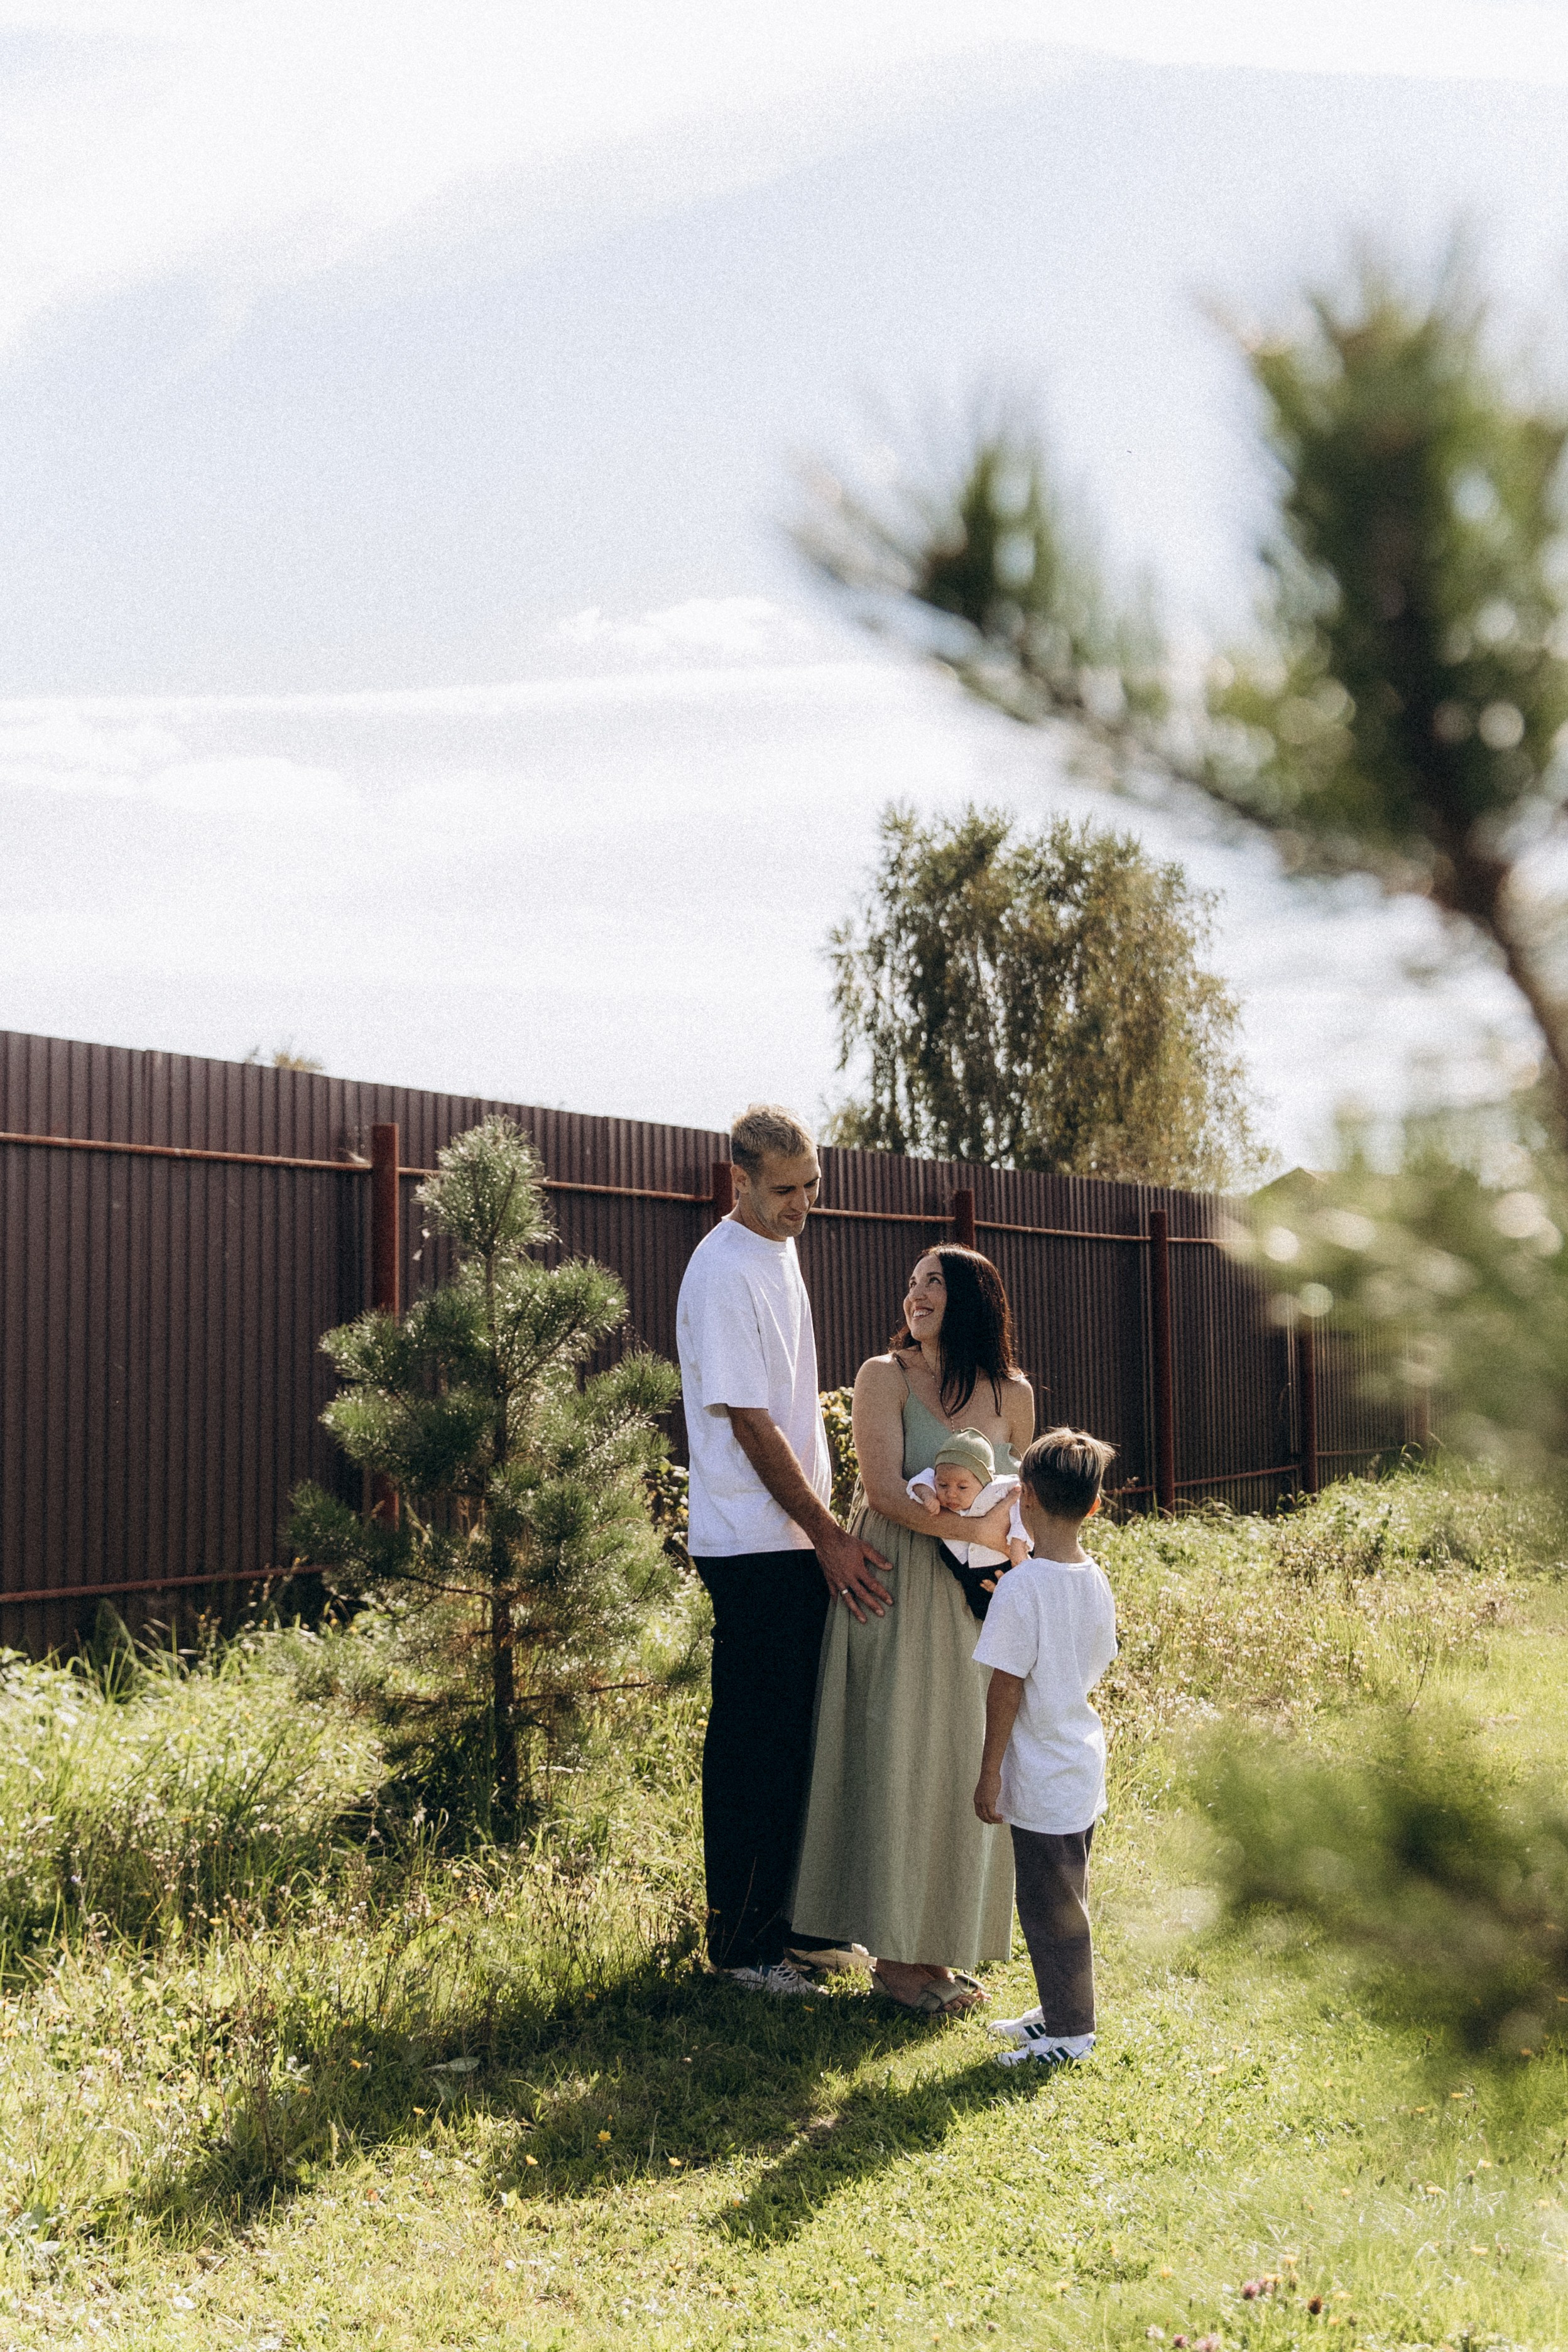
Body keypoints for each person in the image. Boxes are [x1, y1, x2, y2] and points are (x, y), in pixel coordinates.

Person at [675, 1103, 890, 1996]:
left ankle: (801, 1930)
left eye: (811, 1187)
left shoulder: (780, 1246)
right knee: (754, 1744)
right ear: (740, 1182)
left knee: (804, 1737)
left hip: (791, 1537)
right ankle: (741, 1950)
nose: (803, 1204)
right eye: (785, 1190)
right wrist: (828, 1533)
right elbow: (755, 1428)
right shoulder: (723, 1270)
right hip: (751, 1540)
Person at [789, 1246, 1032, 2013]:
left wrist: (1015, 1551)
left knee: (962, 1758)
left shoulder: (1013, 1394)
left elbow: (1021, 1495)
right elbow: (887, 1493)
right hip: (893, 1583)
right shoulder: (883, 1377)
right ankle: (892, 1959)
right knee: (898, 1754)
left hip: (979, 1595)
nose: (915, 1294)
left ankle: (936, 1948)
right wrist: (985, 1532)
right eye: (912, 1280)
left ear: (973, 1301)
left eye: (933, 1282)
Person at [972, 1427, 1119, 2068]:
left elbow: (1004, 1690)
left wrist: (989, 1772)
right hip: (1080, 1763)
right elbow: (1096, 1659)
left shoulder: (1021, 1588)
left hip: (1039, 1771)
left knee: (1050, 1910)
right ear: (1093, 1506)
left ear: (1022, 1497)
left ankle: (1072, 2032)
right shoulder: (1093, 1580)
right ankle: (1057, 2008)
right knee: (1064, 1899)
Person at [906, 1425, 1030, 1619]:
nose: (951, 1493)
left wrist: (1017, 1542)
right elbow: (920, 1480)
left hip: (1000, 1560)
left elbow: (1024, 1509)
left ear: (985, 1481)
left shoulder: (1001, 1489)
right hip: (966, 1566)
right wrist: (928, 1495)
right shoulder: (939, 1483)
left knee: (1011, 1607)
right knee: (980, 1607)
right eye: (943, 1485)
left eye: (963, 1487)